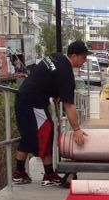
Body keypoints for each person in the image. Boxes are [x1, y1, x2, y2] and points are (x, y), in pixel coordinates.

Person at [13, 40, 89, 185]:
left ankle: (20, 173)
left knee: (28, 136)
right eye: (83, 57)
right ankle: (48, 175)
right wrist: (76, 129)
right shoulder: (66, 73)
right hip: (33, 102)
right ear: (74, 56)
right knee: (46, 132)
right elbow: (69, 105)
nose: (85, 60)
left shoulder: (56, 57)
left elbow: (48, 79)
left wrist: (55, 94)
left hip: (24, 98)